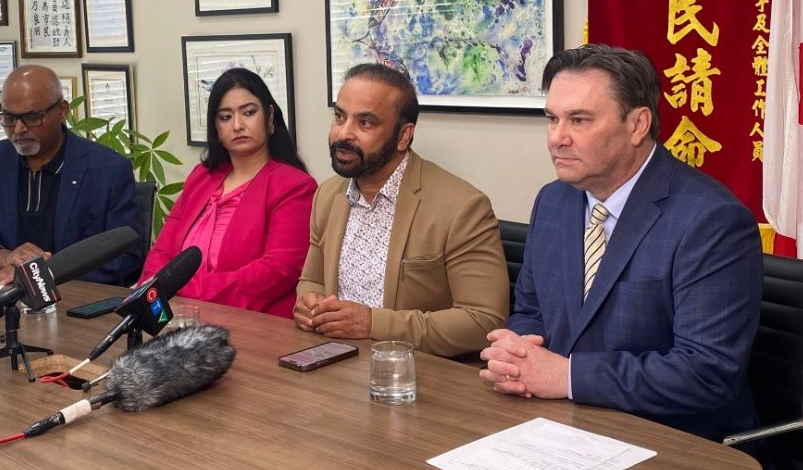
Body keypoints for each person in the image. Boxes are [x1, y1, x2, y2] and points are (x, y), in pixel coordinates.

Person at [480, 44, 763, 444]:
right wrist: (518, 353)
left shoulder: (711, 220)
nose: (557, 138)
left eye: (579, 120)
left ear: (637, 125)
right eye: (552, 119)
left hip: (673, 443)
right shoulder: (554, 200)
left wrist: (565, 376)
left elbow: (706, 372)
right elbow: (532, 311)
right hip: (560, 428)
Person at [294, 64, 509, 357]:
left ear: (403, 136)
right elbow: (313, 279)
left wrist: (373, 324)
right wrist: (309, 303)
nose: (344, 134)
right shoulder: (328, 195)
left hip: (420, 380)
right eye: (340, 117)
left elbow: (483, 321)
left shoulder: (462, 208)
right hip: (334, 365)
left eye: (365, 123)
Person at [140, 68, 317, 317]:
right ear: (215, 127)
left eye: (249, 112)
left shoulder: (295, 186)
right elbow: (162, 250)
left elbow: (276, 272)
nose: (237, 125)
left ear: (270, 116)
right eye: (225, 117)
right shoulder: (201, 177)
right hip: (178, 316)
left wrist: (176, 288)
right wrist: (155, 288)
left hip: (253, 325)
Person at [0, 65, 143, 286]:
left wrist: (44, 274)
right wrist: (6, 258)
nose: (19, 129)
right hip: (7, 297)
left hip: (76, 302)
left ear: (62, 111)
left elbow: (127, 257)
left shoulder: (107, 169)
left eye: (32, 117)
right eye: (9, 117)